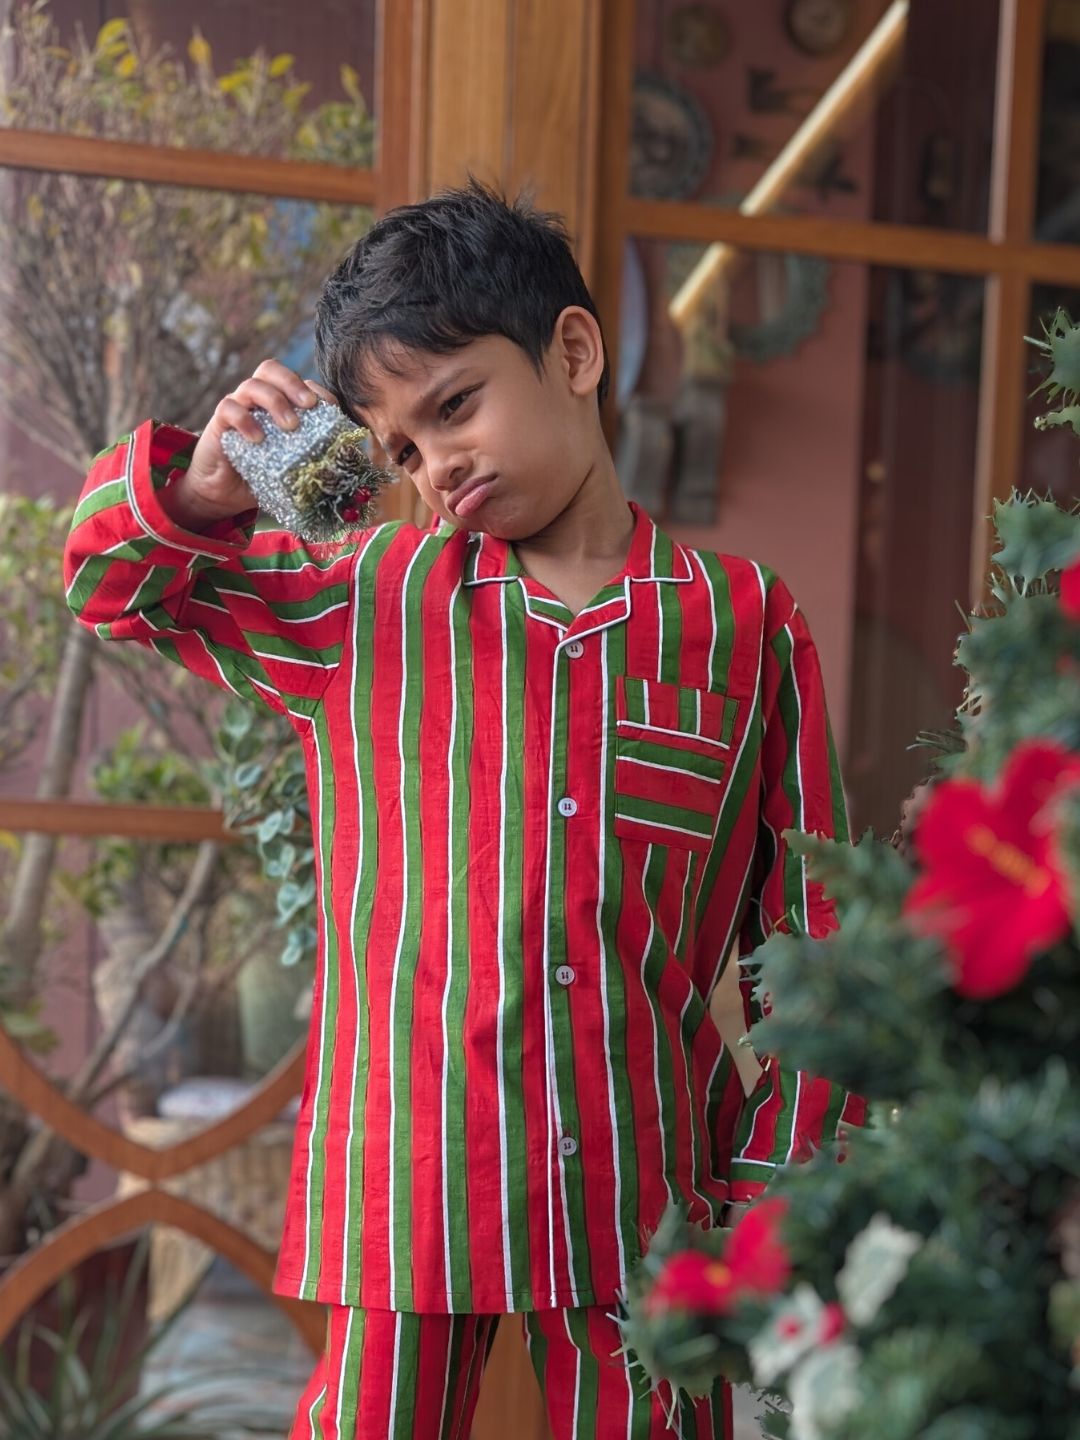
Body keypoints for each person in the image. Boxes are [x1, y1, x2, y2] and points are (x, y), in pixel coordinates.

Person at [63, 181, 864, 1440]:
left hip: (642, 1196)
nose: (435, 464)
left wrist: (776, 1189)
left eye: (455, 407)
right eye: (397, 448)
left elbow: (819, 947)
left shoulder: (746, 627)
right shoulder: (360, 604)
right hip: (406, 1183)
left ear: (575, 353)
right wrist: (209, 490)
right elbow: (109, 581)